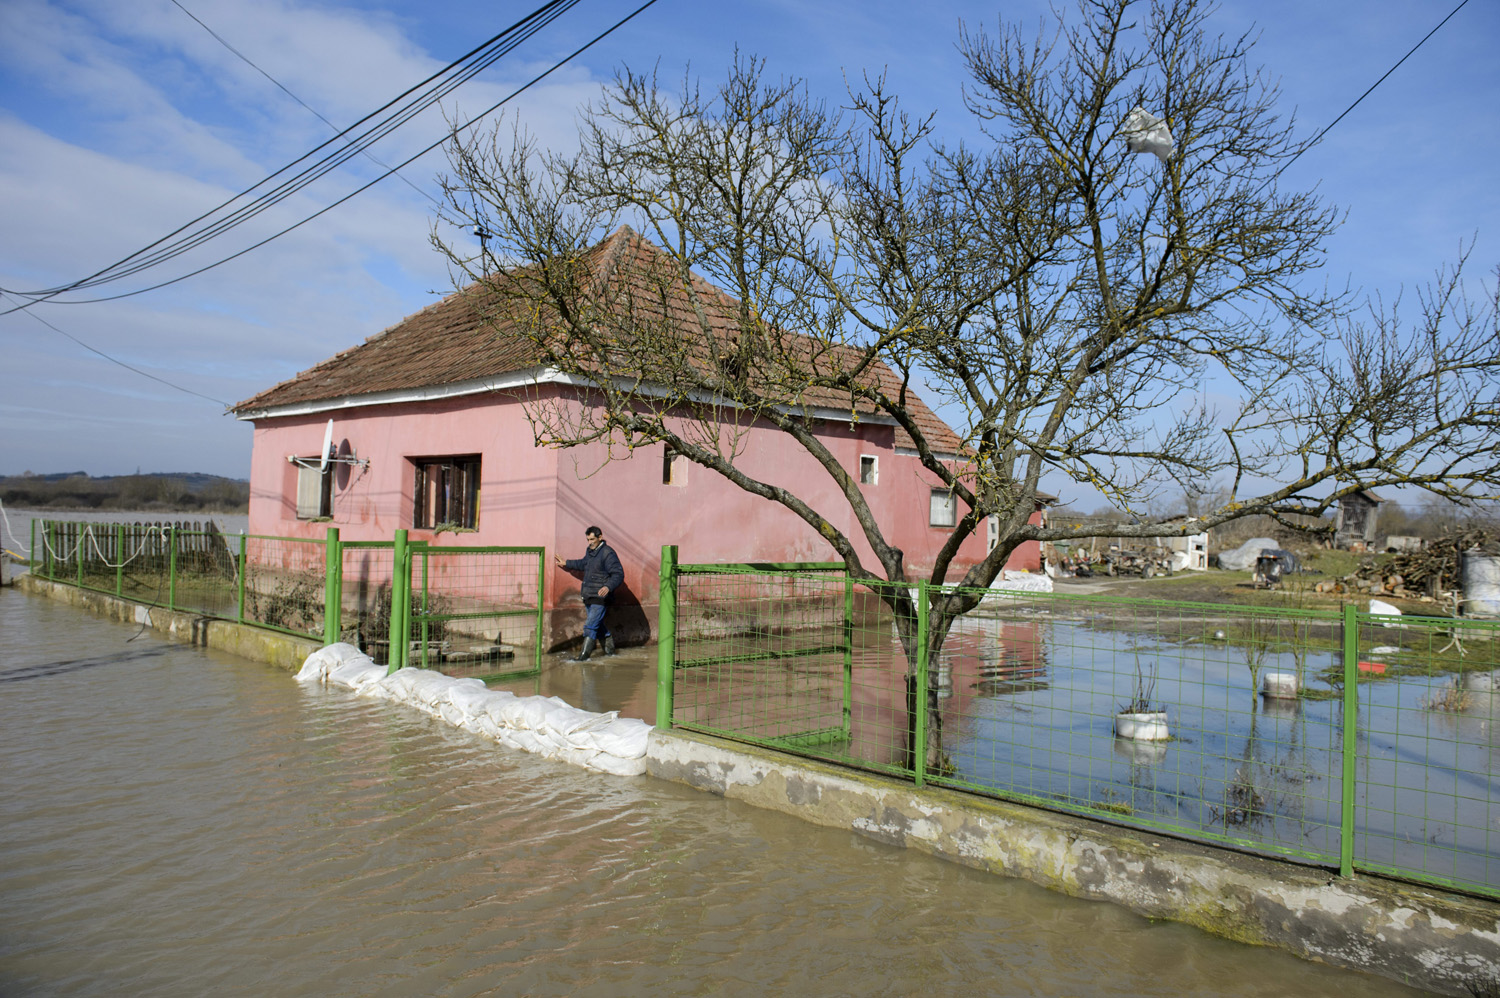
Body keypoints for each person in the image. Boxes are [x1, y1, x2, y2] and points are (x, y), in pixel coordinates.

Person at [554, 525, 623, 660]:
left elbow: (618, 574)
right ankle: (611, 654)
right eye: (588, 540)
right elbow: (582, 564)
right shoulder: (590, 552)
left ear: (600, 537)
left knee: (590, 626)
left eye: (592, 539)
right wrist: (566, 563)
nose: (590, 542)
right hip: (588, 595)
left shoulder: (607, 553)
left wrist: (608, 587)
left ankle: (583, 658)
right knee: (598, 625)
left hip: (601, 596)